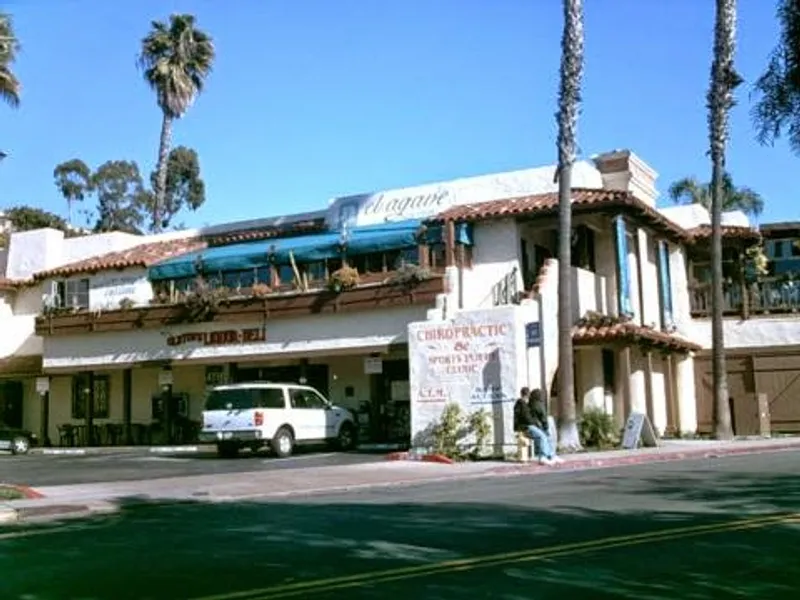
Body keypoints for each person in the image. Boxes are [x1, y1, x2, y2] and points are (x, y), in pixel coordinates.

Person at [514, 387, 558, 466]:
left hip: (527, 426)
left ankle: (550, 456)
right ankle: (543, 457)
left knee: (544, 435)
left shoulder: (524, 404)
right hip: (525, 427)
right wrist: (536, 423)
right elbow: (527, 418)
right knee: (542, 436)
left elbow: (528, 417)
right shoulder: (522, 404)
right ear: (526, 395)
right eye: (528, 395)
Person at [528, 389, 562, 464]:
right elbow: (544, 419)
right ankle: (544, 457)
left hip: (530, 427)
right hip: (533, 427)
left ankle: (551, 456)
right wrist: (546, 428)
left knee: (546, 437)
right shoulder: (539, 405)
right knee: (545, 436)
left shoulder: (530, 404)